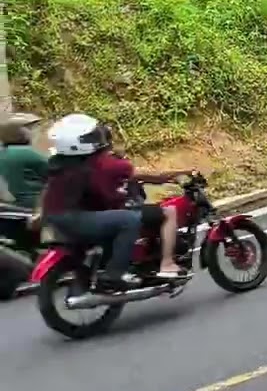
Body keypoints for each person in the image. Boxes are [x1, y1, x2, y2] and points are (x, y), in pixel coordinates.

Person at [40, 113, 189, 290]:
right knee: (129, 219)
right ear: (77, 142)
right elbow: (124, 182)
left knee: (121, 218)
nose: (99, 138)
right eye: (91, 136)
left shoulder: (61, 162)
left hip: (58, 216)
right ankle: (119, 273)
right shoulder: (97, 163)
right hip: (74, 218)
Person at [0, 112, 48, 257]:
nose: (33, 133)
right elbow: (57, 175)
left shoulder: (4, 153)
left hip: (9, 209)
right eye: (28, 128)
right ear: (17, 133)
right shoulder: (28, 153)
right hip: (32, 208)